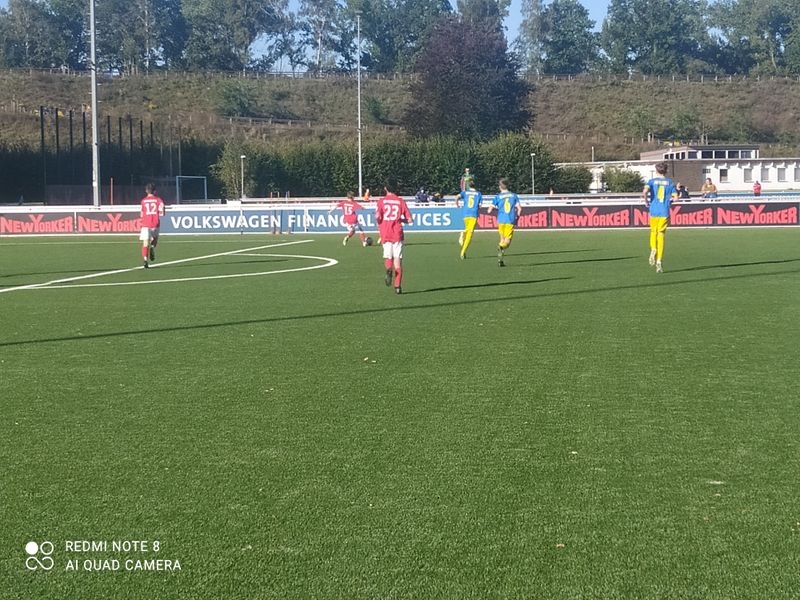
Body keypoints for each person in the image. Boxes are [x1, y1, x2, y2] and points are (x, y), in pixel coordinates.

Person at [642, 162, 679, 273]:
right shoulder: (670, 183)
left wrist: (646, 201)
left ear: (656, 170)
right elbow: (676, 198)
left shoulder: (651, 181)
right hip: (664, 210)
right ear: (666, 171)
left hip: (654, 210)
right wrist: (669, 201)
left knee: (653, 231)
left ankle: (653, 248)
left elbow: (644, 192)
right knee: (661, 234)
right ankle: (659, 261)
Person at [375, 185, 412, 294]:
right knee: (397, 260)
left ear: (385, 188)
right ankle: (397, 286)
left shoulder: (381, 201)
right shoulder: (401, 201)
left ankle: (388, 269)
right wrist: (401, 220)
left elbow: (377, 216)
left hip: (385, 233)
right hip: (397, 233)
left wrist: (379, 222)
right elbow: (410, 220)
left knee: (388, 257)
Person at [485, 178, 521, 267]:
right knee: (507, 242)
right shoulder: (514, 195)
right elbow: (519, 208)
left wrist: (495, 209)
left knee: (502, 239)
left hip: (501, 220)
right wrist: (517, 218)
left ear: (500, 187)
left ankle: (500, 260)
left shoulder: (497, 196)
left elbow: (489, 210)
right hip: (510, 219)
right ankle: (501, 247)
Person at [139, 182, 165, 268]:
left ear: (146, 191)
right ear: (155, 191)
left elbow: (141, 214)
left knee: (145, 242)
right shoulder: (158, 200)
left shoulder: (143, 201)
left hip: (145, 224)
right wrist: (161, 213)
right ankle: (153, 247)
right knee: (155, 238)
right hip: (155, 223)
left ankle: (145, 260)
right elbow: (162, 210)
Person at [457, 183, 483, 259]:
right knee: (469, 234)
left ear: (469, 186)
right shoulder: (478, 194)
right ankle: (463, 252)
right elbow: (480, 205)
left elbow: (457, 197)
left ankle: (463, 233)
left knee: (468, 229)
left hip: (465, 214)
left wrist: (457, 204)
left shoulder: (465, 192)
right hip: (473, 214)